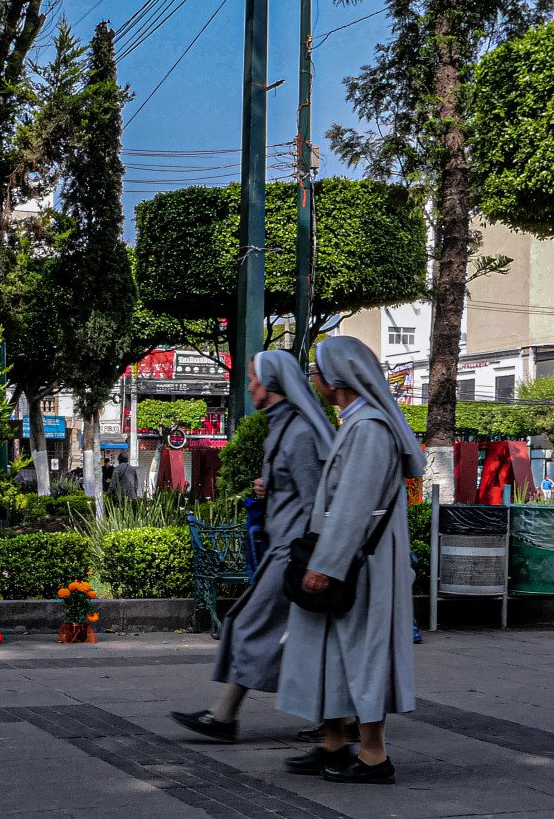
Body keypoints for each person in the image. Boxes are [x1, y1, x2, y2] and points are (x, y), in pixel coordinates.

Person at [169, 352, 333, 743]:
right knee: (308, 636)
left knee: (248, 623)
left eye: (254, 379)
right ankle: (336, 723)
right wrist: (270, 487)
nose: (250, 387)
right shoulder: (284, 426)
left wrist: (318, 559)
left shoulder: (299, 431)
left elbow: (318, 502)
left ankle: (225, 716)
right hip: (285, 546)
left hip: (293, 551)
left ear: (273, 383)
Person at [278, 335, 420, 785]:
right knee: (336, 652)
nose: (313, 379)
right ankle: (334, 745)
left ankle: (374, 757)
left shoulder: (368, 428)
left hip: (362, 565)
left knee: (363, 655)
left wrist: (326, 564)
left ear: (337, 380)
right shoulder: (357, 423)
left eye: (316, 371)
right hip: (355, 560)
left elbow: (355, 506)